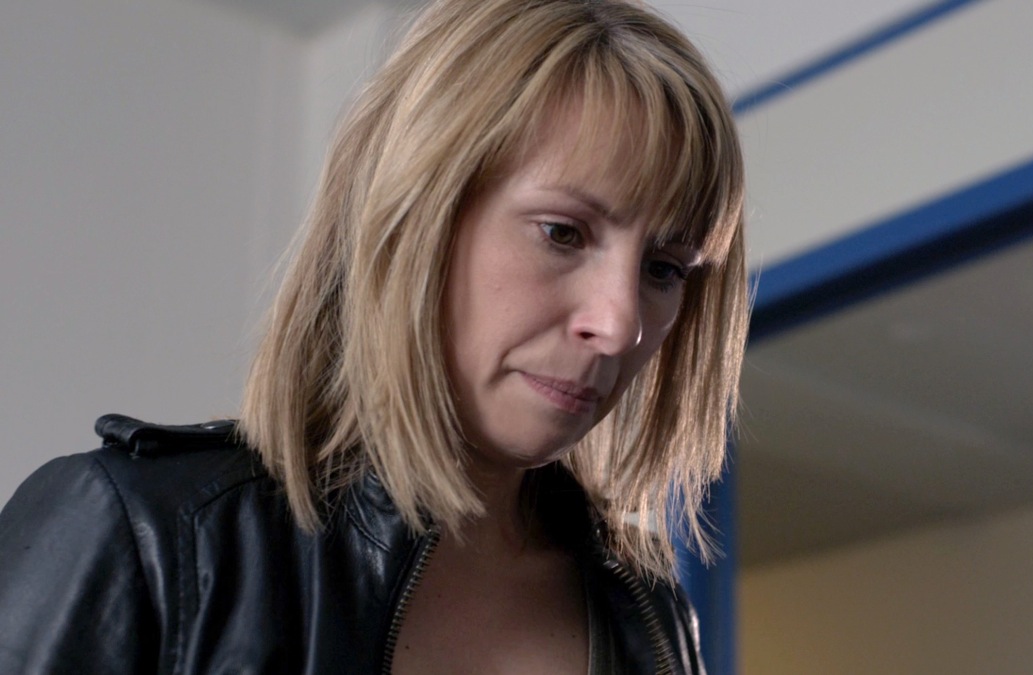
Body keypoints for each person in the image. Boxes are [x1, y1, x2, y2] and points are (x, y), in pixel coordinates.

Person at [0, 0, 747, 673]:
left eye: (663, 269)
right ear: (415, 216)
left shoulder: (650, 619)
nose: (617, 326)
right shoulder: (143, 538)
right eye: (562, 232)